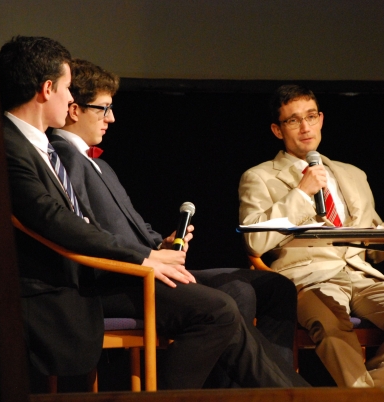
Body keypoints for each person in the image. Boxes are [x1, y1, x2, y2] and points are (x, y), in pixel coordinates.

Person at [46, 58, 303, 388]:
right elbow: (98, 235)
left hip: (146, 263)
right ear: (74, 110)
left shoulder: (95, 162)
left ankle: (254, 391)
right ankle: (266, 394)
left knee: (275, 287)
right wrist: (151, 257)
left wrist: (162, 244)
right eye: (103, 109)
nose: (111, 118)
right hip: (122, 279)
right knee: (231, 295)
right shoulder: (65, 158)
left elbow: (129, 224)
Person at [238, 84, 384, 388]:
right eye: (293, 120)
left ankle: (365, 396)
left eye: (311, 116)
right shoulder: (260, 177)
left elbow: (372, 246)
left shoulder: (352, 174)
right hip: (309, 281)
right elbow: (254, 241)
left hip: (362, 276)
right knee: (333, 328)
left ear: (321, 119)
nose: (305, 127)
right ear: (277, 130)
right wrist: (300, 193)